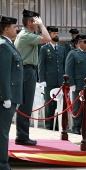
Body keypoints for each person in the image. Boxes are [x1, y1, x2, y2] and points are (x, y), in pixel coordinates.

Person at [14, 9, 51, 146]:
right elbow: (48, 38)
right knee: (25, 105)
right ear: (30, 22)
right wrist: (42, 26)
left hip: (28, 71)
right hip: (26, 71)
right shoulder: (25, 35)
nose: (37, 24)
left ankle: (22, 135)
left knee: (25, 104)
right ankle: (22, 136)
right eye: (35, 22)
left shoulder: (27, 34)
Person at [0, 15, 23, 170]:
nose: (17, 29)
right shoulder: (3, 46)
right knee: (3, 132)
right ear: (6, 28)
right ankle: (2, 164)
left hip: (12, 95)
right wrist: (6, 96)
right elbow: (4, 74)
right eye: (15, 27)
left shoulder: (9, 44)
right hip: (6, 97)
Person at [65, 34, 86, 134]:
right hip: (78, 84)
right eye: (85, 42)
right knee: (77, 106)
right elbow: (69, 69)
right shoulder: (73, 53)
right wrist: (71, 83)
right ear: (79, 43)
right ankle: (76, 126)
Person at [38, 26, 66, 130]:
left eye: (57, 33)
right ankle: (49, 125)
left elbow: (64, 65)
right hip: (49, 80)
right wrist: (42, 80)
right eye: (54, 33)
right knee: (49, 103)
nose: (56, 35)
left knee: (60, 103)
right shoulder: (44, 48)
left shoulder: (62, 48)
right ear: (49, 34)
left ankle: (58, 124)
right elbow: (41, 65)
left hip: (60, 80)